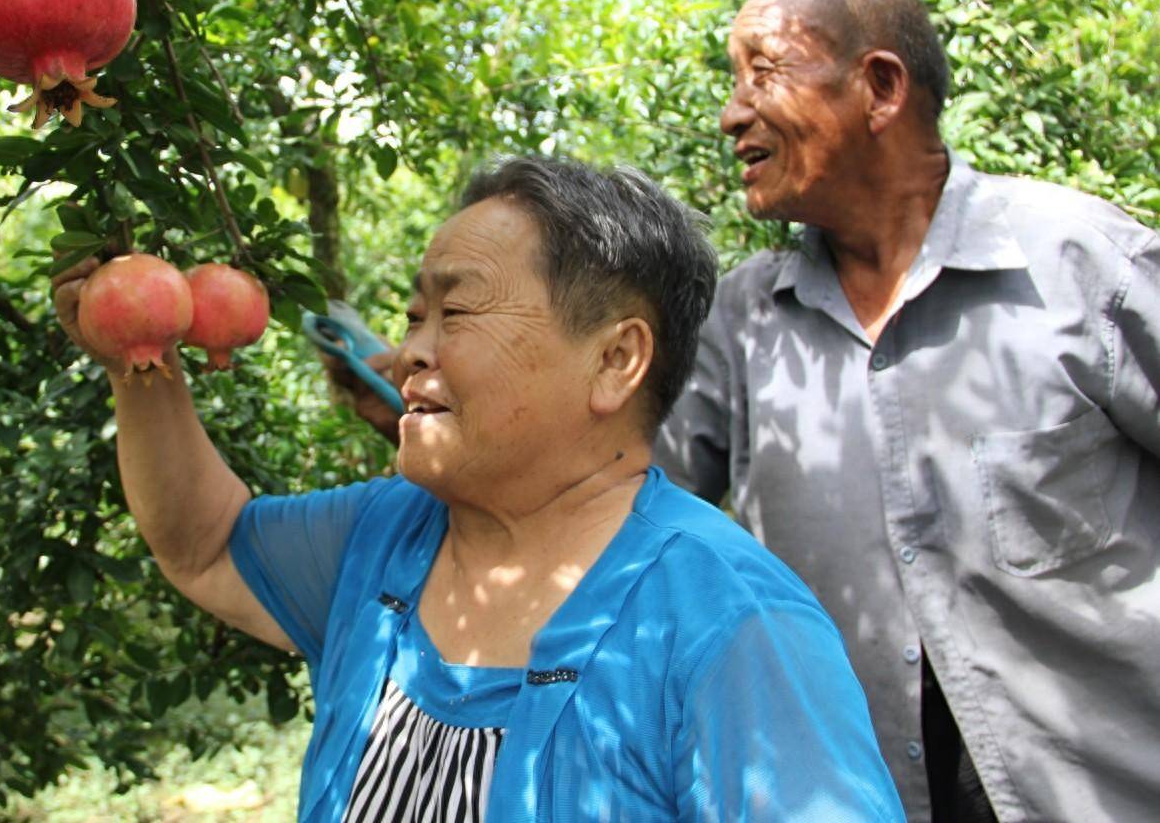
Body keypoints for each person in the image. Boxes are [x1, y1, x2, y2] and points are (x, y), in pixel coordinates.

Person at [55, 156, 905, 822]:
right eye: (416, 316)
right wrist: (142, 351)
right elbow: (202, 544)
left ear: (615, 360)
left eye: (455, 316)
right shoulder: (386, 536)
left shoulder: (733, 627)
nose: (412, 351)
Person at [653, 0, 1160, 823]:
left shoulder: (1077, 265)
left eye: (761, 73)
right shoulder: (740, 323)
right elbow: (614, 487)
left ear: (880, 87)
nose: (733, 113)